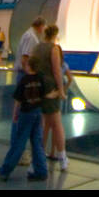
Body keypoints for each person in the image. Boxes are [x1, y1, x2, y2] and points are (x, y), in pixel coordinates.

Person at [0, 56, 49, 182]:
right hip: (37, 112)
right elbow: (44, 97)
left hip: (26, 113)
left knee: (19, 142)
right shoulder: (40, 78)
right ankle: (42, 171)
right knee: (37, 142)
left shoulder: (24, 80)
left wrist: (15, 114)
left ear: (28, 66)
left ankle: (5, 170)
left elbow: (18, 100)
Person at [31, 24, 69, 170]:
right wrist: (61, 90)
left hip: (38, 88)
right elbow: (57, 71)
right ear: (55, 35)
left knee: (41, 125)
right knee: (57, 124)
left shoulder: (37, 47)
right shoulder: (53, 49)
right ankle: (62, 157)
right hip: (50, 89)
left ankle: (37, 158)